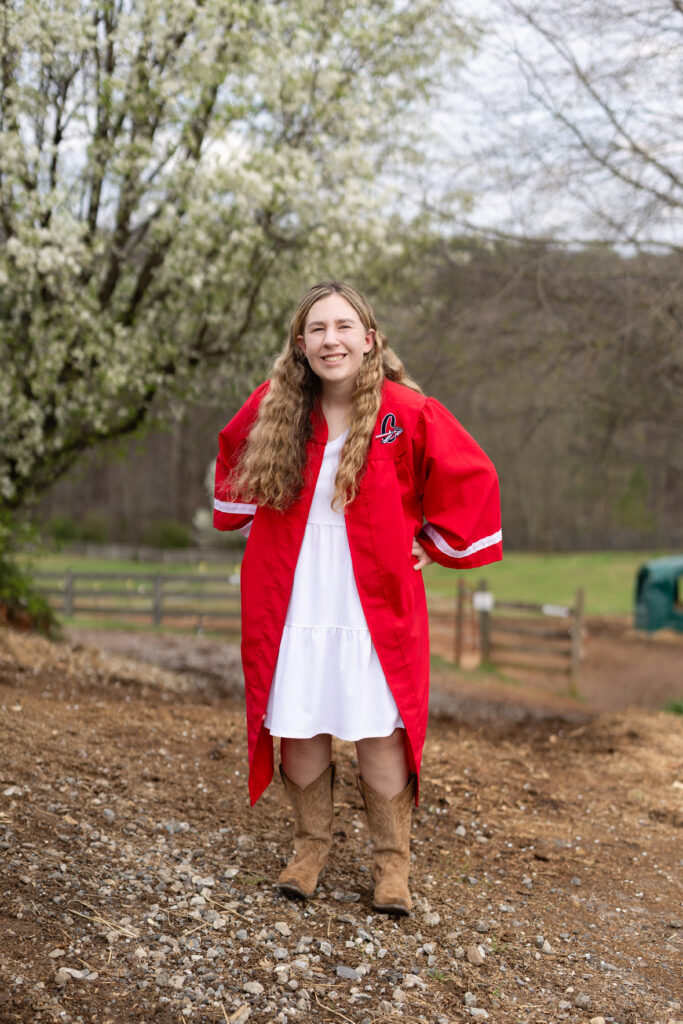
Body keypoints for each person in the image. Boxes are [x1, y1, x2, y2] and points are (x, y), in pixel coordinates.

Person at [213, 281, 502, 914]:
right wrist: (250, 507)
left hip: (371, 596)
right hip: (296, 590)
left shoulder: (405, 410)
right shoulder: (275, 406)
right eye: (317, 329)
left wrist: (436, 539)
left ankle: (390, 866)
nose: (330, 339)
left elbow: (472, 474)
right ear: (301, 343)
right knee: (302, 719)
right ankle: (309, 848)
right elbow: (233, 453)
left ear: (369, 339)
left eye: (344, 327)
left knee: (378, 730)